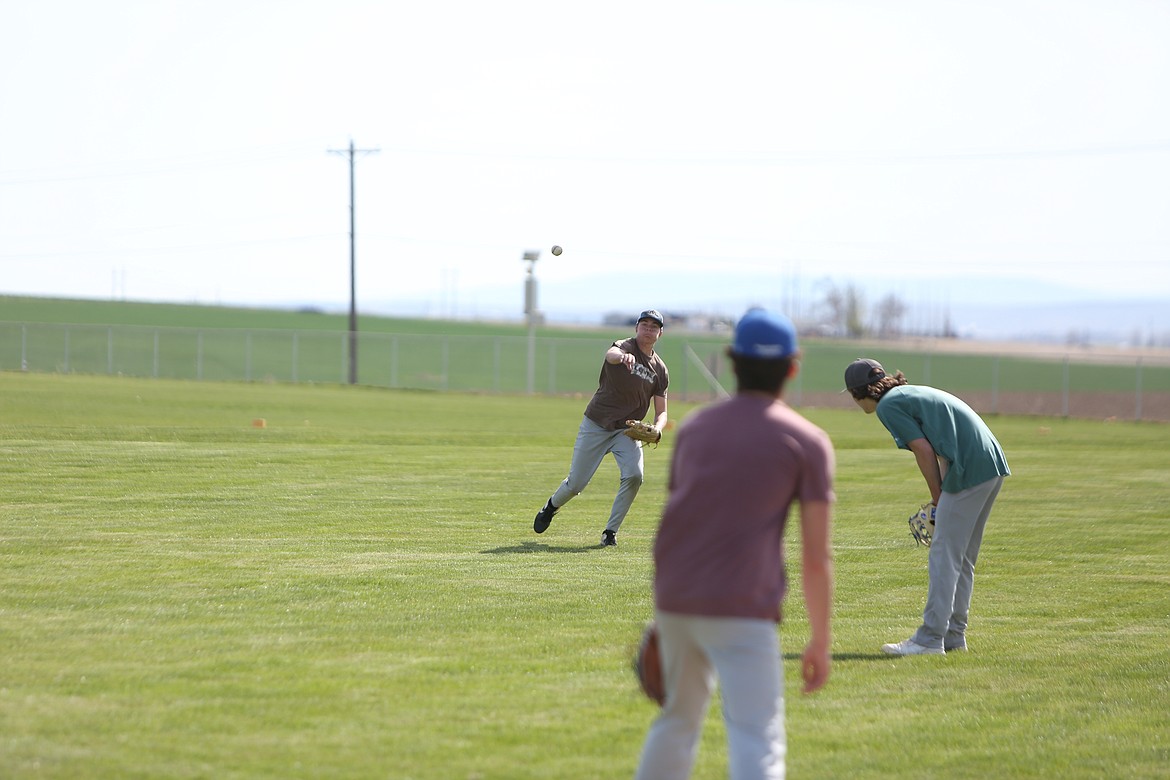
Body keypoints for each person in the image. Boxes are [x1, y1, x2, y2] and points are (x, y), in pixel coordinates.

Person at [635, 308, 835, 780]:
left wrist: (667, 611)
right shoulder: (806, 440)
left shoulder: (698, 428)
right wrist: (821, 641)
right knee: (756, 733)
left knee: (677, 722)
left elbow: (680, 520)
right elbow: (815, 555)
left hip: (678, 599)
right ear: (793, 366)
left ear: (730, 361)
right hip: (743, 606)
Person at [843, 357, 1010, 656]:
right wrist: (941, 496)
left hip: (971, 467)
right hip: (990, 463)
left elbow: (923, 448)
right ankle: (953, 636)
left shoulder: (888, 405)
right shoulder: (908, 394)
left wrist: (939, 497)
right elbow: (946, 442)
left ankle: (930, 638)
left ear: (858, 393)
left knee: (944, 555)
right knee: (961, 558)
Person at [533, 309, 669, 547]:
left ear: (660, 333)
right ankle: (551, 506)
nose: (648, 330)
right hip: (597, 422)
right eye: (644, 325)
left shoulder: (660, 370)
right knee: (576, 484)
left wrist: (658, 428)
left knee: (635, 475)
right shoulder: (625, 346)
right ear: (636, 328)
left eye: (654, 326)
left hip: (626, 431)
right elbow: (611, 354)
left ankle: (610, 532)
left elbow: (662, 411)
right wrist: (622, 357)